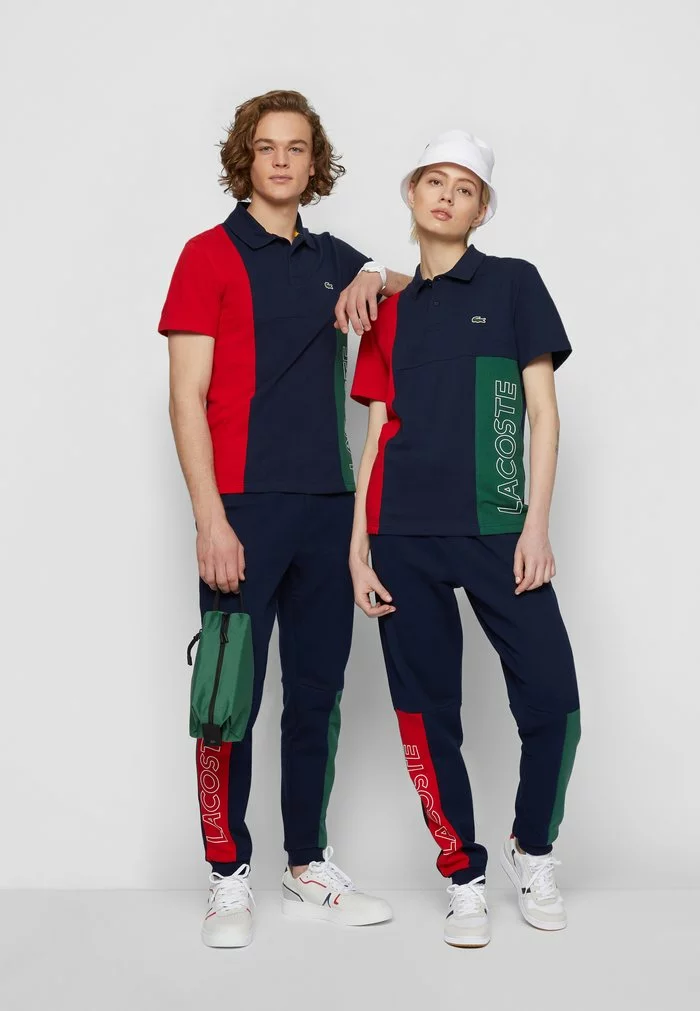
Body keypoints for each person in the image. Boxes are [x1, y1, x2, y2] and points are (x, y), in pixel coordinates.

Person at [157, 89, 411, 947]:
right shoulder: (206, 255)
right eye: (266, 146)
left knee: (316, 694)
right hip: (241, 511)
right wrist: (209, 520)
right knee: (226, 696)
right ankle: (227, 873)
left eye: (296, 148)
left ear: (313, 163)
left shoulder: (335, 257)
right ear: (246, 157)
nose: (280, 160)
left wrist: (375, 273)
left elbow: (422, 289)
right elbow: (185, 400)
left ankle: (307, 860)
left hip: (326, 511)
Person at [349, 129, 581, 948]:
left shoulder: (515, 284)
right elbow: (375, 435)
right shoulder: (386, 312)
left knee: (553, 702)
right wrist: (357, 545)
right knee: (426, 713)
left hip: (498, 529)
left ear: (481, 210)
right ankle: (462, 874)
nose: (447, 196)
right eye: (434, 182)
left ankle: (532, 848)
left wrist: (536, 523)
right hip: (401, 535)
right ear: (411, 194)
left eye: (465, 188)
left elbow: (543, 411)